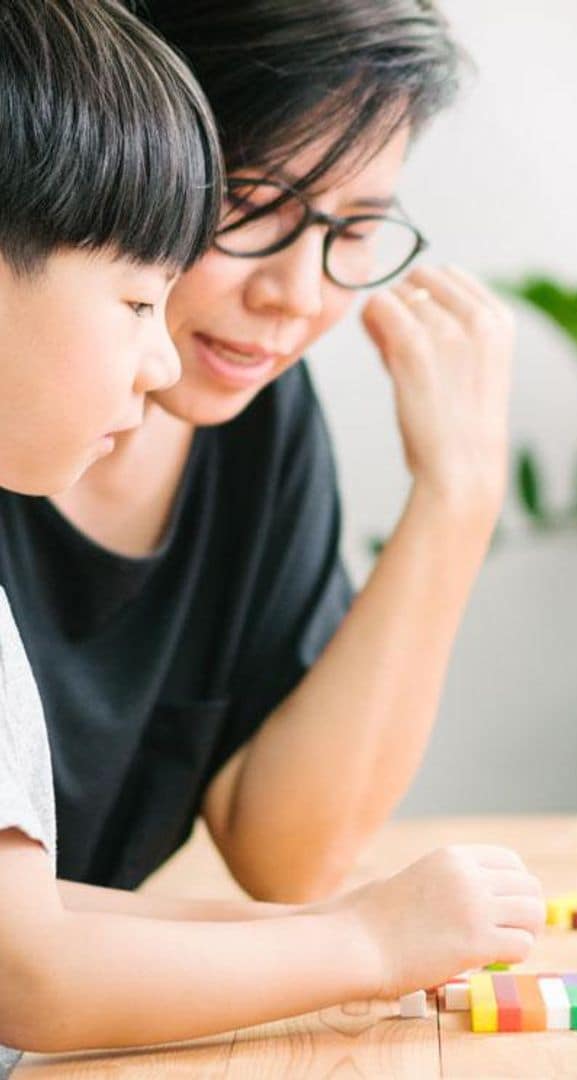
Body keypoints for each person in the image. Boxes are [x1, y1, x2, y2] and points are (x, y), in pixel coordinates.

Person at [0, 0, 541, 1066]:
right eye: (251, 205)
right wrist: (364, 942)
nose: (297, 295)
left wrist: (460, 495)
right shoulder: (29, 411)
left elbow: (289, 856)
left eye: (353, 229)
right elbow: (27, 971)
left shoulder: (257, 428)